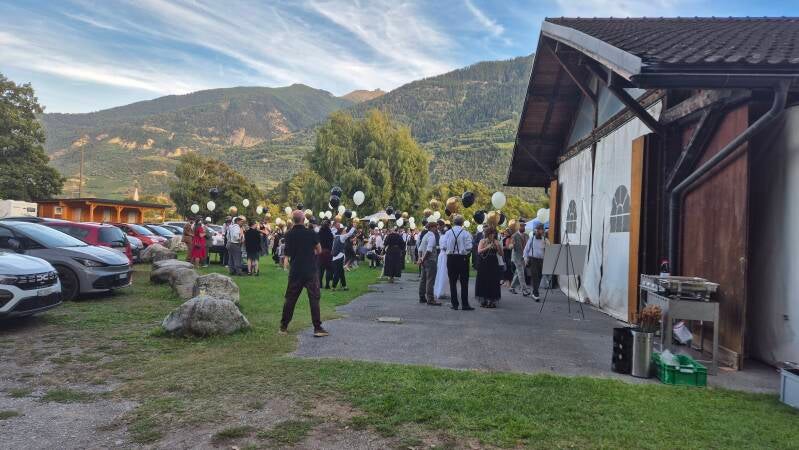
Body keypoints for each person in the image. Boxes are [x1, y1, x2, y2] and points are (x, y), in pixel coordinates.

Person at [280, 210, 328, 337]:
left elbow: (287, 253)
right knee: (314, 299)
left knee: (290, 299)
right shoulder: (311, 233)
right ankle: (317, 328)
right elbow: (319, 250)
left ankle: (283, 327)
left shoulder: (288, 234)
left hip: (296, 270)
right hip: (310, 270)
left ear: (293, 220)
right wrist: (309, 252)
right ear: (303, 219)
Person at [442, 215, 473, 310]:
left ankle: (454, 304)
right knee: (464, 282)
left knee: (452, 282)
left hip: (451, 258)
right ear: (462, 223)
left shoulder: (448, 233)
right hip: (462, 258)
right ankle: (465, 304)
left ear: (453, 222)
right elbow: (469, 247)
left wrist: (451, 250)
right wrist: (463, 250)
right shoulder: (466, 233)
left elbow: (443, 246)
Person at [476, 226, 502, 308]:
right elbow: (479, 251)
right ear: (487, 234)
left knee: (493, 280)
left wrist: (498, 246)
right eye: (491, 234)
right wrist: (487, 247)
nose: (492, 235)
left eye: (494, 234)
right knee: (483, 280)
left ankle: (492, 300)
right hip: (484, 263)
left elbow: (501, 254)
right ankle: (484, 299)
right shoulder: (482, 241)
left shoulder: (496, 241)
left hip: (493, 263)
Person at [417, 221, 441, 306]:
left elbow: (420, 249)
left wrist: (420, 258)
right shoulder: (432, 236)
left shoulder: (425, 235)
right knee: (430, 280)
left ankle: (422, 297)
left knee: (423, 279)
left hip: (424, 261)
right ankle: (430, 299)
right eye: (435, 227)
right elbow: (429, 250)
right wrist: (423, 258)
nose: (436, 229)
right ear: (431, 227)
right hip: (430, 260)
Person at [524, 222, 549, 301]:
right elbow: (526, 250)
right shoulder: (531, 239)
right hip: (533, 259)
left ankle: (534, 291)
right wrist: (525, 259)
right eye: (537, 229)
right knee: (535, 276)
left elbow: (549, 250)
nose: (538, 231)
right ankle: (536, 294)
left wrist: (547, 244)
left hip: (542, 260)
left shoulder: (545, 240)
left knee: (539, 276)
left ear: (542, 231)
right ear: (535, 230)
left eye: (540, 230)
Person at [508, 221, 531, 296]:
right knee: (521, 273)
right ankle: (524, 290)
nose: (523, 227)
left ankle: (512, 287)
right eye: (521, 226)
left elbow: (528, 246)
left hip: (524, 257)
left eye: (524, 226)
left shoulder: (526, 235)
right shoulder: (514, 236)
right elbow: (510, 246)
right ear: (518, 227)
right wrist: (511, 246)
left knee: (517, 273)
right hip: (516, 257)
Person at [331, 225, 356, 291]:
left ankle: (344, 286)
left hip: (334, 257)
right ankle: (333, 287)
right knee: (337, 272)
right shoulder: (342, 237)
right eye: (344, 231)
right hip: (339, 257)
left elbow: (332, 231)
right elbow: (350, 233)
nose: (345, 232)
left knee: (341, 272)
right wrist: (354, 227)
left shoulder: (336, 236)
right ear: (342, 232)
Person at [433, 221, 450, 300]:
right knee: (443, 273)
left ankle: (439, 291)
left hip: (441, 255)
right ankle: (441, 292)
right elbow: (445, 247)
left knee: (440, 273)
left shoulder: (441, 236)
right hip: (444, 255)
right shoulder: (445, 236)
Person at [317, 219, 334, 289]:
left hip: (321, 252)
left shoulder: (319, 233)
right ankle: (327, 284)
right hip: (328, 252)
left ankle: (320, 284)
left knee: (321, 269)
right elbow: (332, 243)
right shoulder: (330, 233)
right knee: (328, 269)